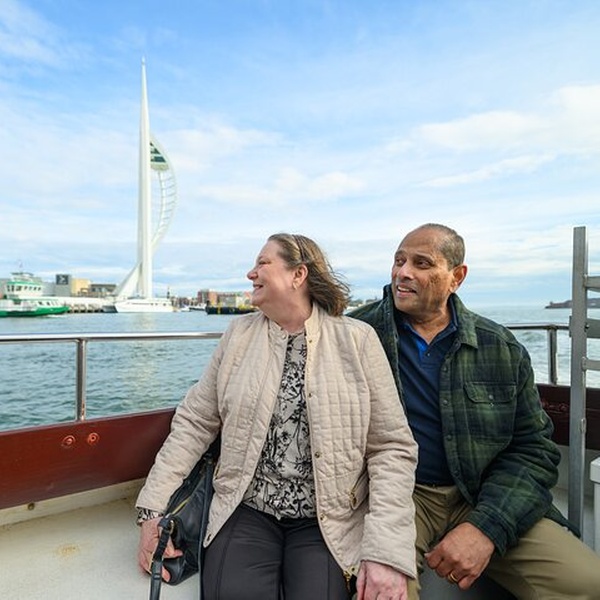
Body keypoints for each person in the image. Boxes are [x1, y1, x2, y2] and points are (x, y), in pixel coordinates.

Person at [136, 233, 418, 600]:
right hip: (245, 507)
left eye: (262, 263)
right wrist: (151, 511)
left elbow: (391, 448)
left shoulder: (358, 341)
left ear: (298, 275)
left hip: (328, 518)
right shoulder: (238, 335)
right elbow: (195, 422)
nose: (251, 273)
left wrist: (385, 551)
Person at [350, 223, 600, 600]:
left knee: (588, 583)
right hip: (396, 497)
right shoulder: (356, 334)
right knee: (382, 594)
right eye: (399, 261)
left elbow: (533, 449)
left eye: (421, 263)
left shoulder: (500, 347)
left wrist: (485, 528)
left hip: (482, 494)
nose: (403, 272)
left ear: (457, 277)